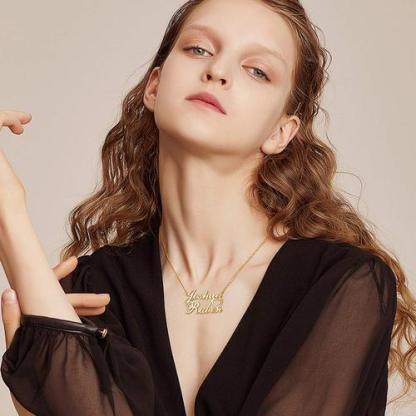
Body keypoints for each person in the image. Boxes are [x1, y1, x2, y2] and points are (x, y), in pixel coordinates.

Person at [0, 0, 414, 415]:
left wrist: (59, 366)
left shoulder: (343, 282)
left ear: (281, 131)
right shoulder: (95, 290)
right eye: (198, 49)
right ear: (153, 87)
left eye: (257, 70)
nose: (217, 70)